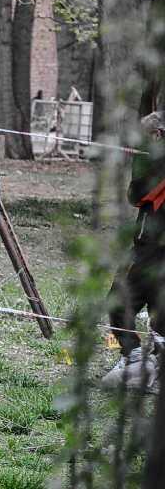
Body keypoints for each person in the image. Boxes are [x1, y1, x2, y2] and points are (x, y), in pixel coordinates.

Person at [101, 111, 165, 392]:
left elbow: (137, 195)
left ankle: (139, 360)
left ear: (158, 135)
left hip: (152, 250)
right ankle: (141, 359)